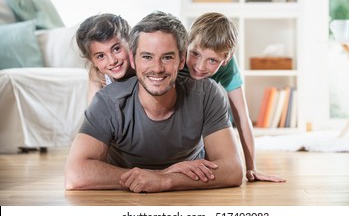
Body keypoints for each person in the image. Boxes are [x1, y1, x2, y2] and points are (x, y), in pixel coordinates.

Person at [65, 11, 243, 193]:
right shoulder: (106, 98)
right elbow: (75, 175)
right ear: (134, 59)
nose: (157, 68)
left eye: (167, 57)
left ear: (182, 60)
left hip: (189, 190)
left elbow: (233, 170)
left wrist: (165, 180)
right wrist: (154, 175)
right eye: (147, 57)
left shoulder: (206, 93)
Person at [181, 12, 285, 183]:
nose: (199, 66)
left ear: (226, 60)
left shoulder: (229, 67)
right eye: (195, 54)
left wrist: (251, 167)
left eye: (212, 61)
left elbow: (242, 117)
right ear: (187, 44)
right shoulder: (177, 51)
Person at [75, 13, 135, 103]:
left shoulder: (141, 66)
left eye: (116, 49)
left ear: (130, 43)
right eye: (101, 56)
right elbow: (93, 111)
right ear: (92, 61)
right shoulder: (97, 74)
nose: (112, 61)